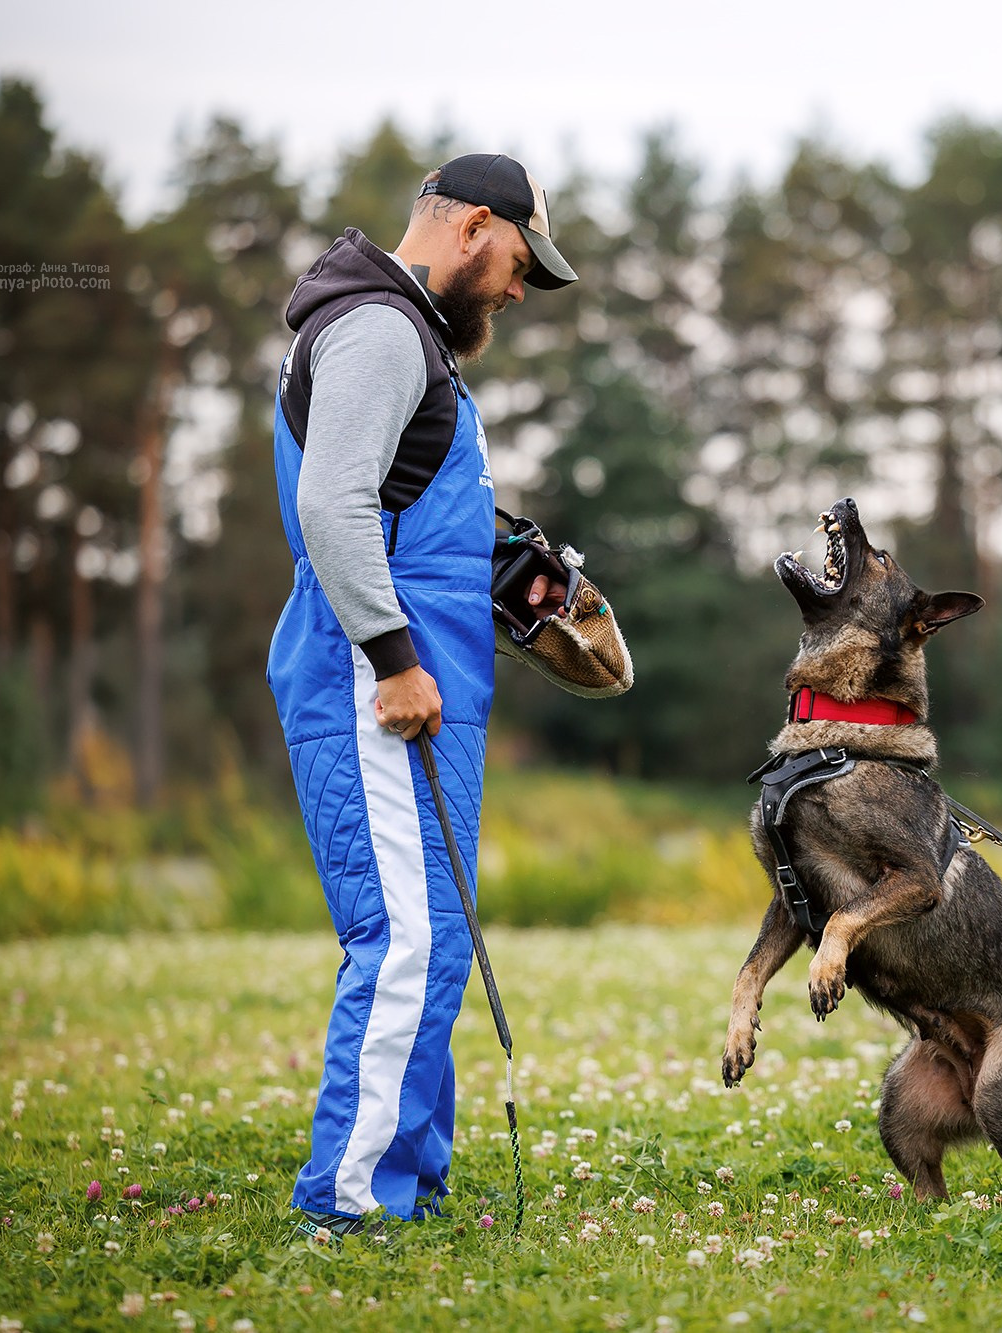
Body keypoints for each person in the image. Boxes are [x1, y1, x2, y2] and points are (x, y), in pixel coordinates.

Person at [266, 153, 577, 1236]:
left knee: (433, 937)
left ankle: (409, 1181)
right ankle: (352, 1204)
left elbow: (404, 516)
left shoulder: (411, 338)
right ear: (473, 225)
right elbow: (333, 504)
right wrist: (395, 658)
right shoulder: (379, 329)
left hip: (420, 684)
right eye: (520, 262)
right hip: (376, 682)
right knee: (402, 941)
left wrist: (513, 572)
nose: (519, 289)